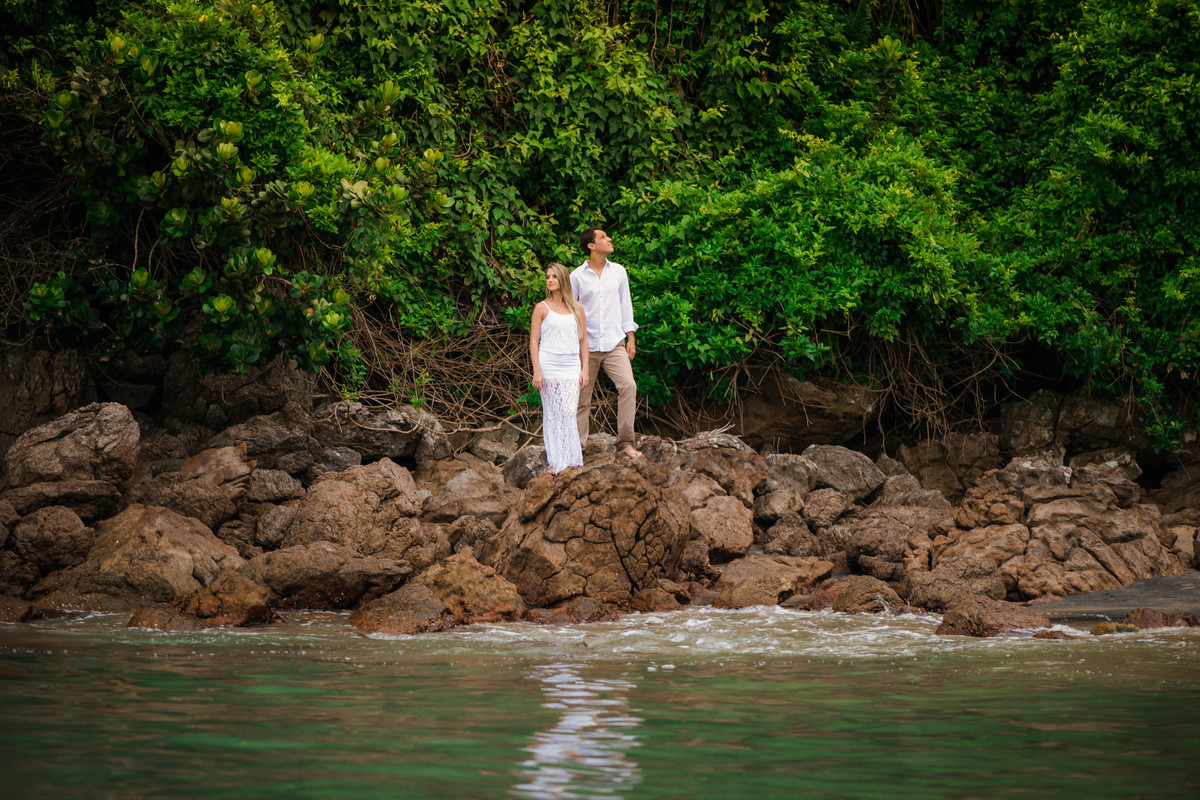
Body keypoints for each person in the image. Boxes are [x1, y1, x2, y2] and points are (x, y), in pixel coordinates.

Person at [570, 228, 642, 458]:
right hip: (586, 347)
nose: (609, 239)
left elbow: (626, 305)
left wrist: (630, 337)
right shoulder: (576, 276)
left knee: (628, 386)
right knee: (582, 397)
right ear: (591, 246)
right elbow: (571, 312)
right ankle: (577, 448)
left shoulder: (619, 272)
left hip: (614, 344)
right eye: (602, 237)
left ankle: (625, 443)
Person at [530, 263, 589, 475]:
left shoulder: (577, 308)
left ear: (563, 279)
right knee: (553, 413)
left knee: (568, 411)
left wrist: (585, 370)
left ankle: (573, 459)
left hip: (571, 366)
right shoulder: (541, 308)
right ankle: (555, 462)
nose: (550, 280)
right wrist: (537, 370)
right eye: (547, 277)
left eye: (554, 276)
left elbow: (583, 342)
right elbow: (534, 341)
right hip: (549, 365)